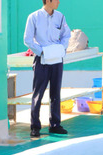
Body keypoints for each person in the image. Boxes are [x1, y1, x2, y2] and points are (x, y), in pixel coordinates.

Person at [24, 0, 71, 137]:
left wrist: (61, 48)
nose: (59, 2)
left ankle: (55, 124)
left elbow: (66, 35)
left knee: (56, 93)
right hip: (42, 60)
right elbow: (27, 39)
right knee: (38, 94)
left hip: (57, 59)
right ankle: (35, 126)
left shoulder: (60, 16)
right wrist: (42, 52)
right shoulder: (34, 17)